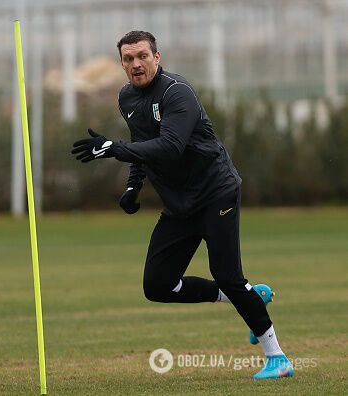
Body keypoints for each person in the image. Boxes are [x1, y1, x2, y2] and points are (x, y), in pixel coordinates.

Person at [71, 30, 293, 379]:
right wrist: (133, 186)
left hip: (215, 192)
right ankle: (247, 297)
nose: (136, 64)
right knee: (157, 285)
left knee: (228, 275)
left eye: (142, 55)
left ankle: (277, 358)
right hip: (179, 204)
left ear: (157, 58)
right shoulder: (127, 98)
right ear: (122, 64)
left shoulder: (177, 93)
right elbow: (141, 145)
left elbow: (170, 146)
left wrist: (114, 149)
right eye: (128, 59)